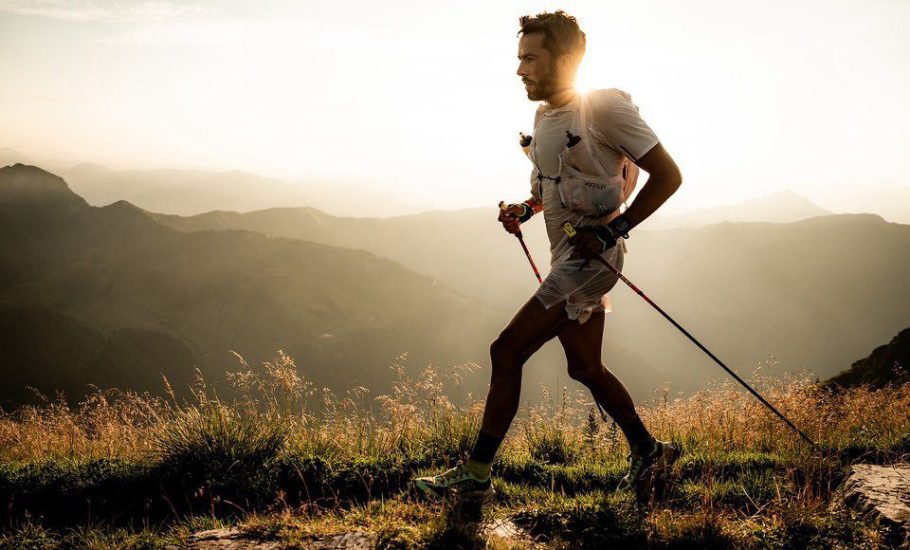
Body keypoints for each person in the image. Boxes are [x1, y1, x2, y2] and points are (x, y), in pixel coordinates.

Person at [414, 10, 683, 503]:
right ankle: (650, 451)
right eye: (520, 59)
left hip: (590, 263)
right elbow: (553, 187)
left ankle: (476, 475)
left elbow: (669, 176)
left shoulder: (603, 108)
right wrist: (523, 209)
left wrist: (613, 230)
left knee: (506, 350)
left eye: (530, 59)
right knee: (585, 368)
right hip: (568, 257)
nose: (520, 70)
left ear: (564, 60)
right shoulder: (543, 117)